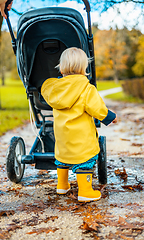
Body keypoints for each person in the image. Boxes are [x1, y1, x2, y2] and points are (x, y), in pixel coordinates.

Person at [41, 47, 117, 202]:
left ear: (61, 68)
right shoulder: (86, 89)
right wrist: (109, 116)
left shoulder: (54, 89)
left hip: (63, 139)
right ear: (84, 69)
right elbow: (97, 108)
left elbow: (45, 86)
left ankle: (62, 185)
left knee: (62, 159)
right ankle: (85, 191)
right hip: (81, 139)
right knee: (85, 160)